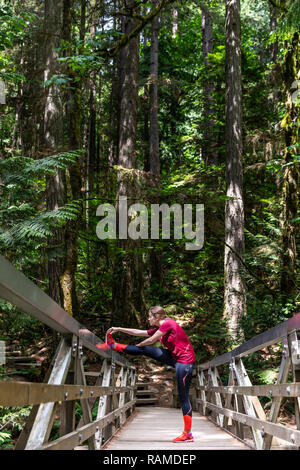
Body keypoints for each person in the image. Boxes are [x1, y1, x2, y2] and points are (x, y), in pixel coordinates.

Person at [97, 306, 196, 442]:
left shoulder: (167, 324)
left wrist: (138, 347)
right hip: (174, 357)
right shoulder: (159, 328)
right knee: (146, 349)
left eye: (150, 316)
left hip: (185, 363)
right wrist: (119, 328)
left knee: (183, 396)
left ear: (157, 317)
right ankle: (113, 345)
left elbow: (150, 340)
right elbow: (139, 332)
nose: (148, 318)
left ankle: (188, 433)